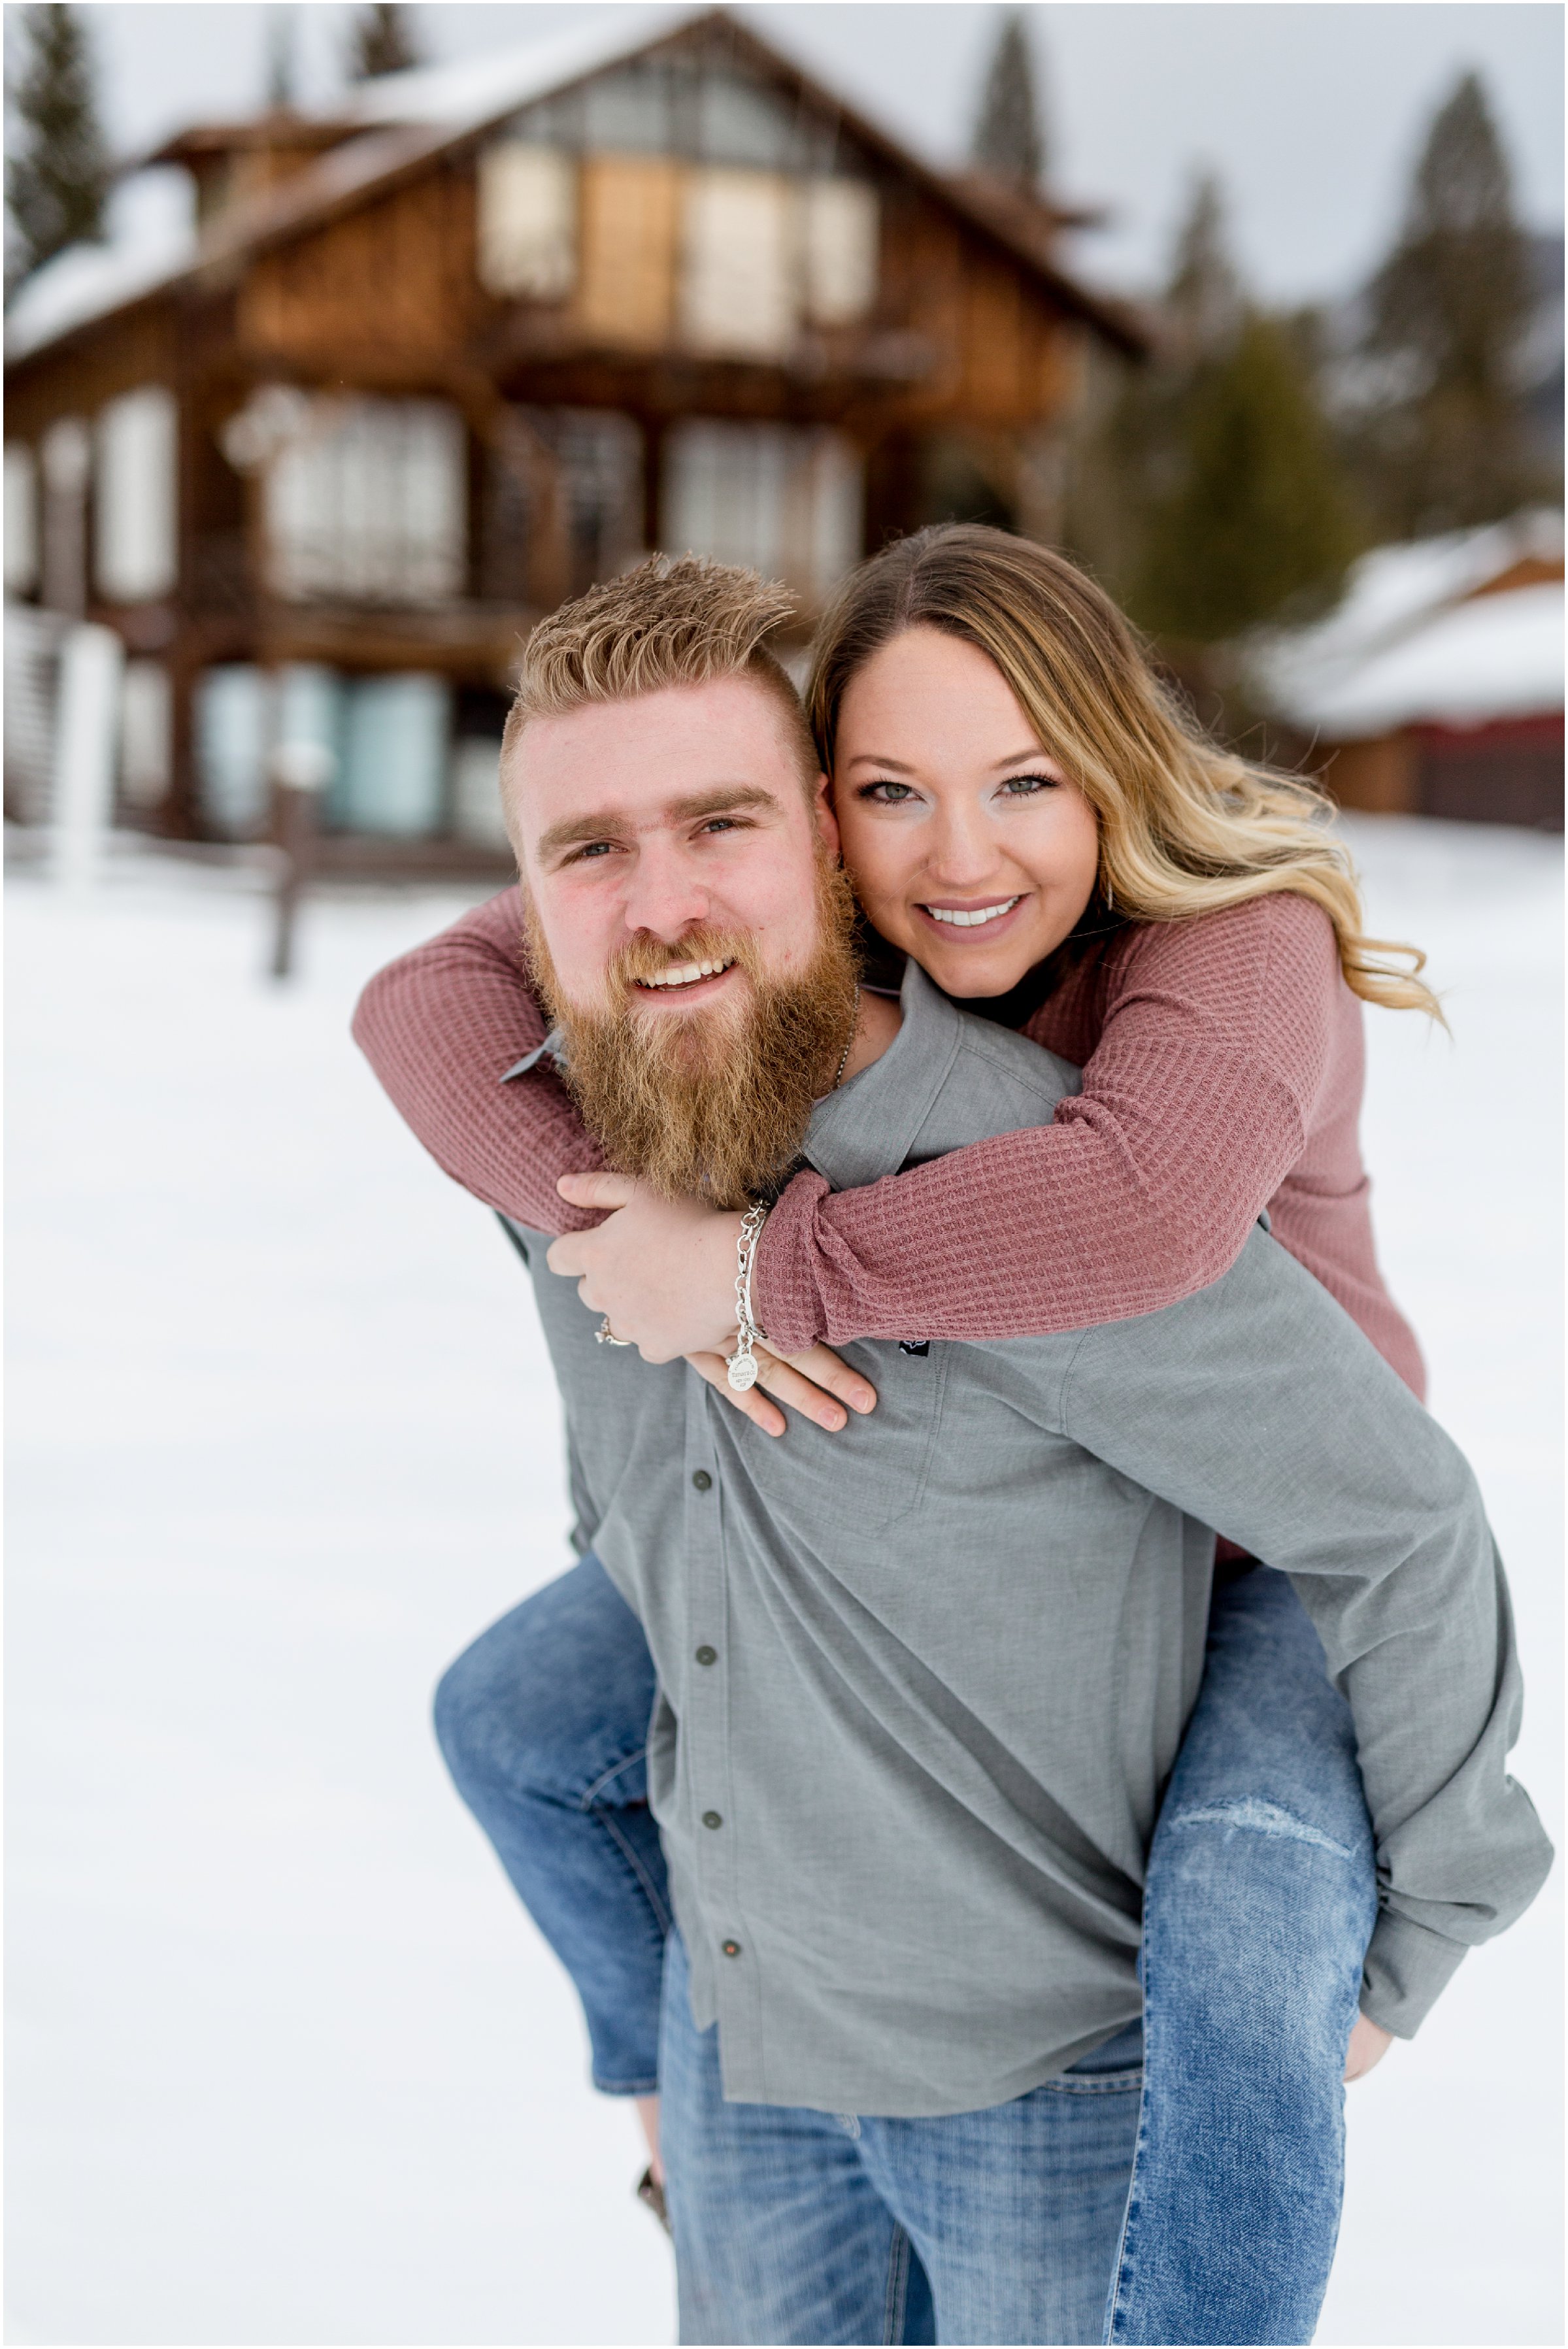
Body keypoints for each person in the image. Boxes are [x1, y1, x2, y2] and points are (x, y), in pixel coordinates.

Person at [355, 545, 1550, 2343]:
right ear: (851, 815)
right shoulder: (640, 1045)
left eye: (1021, 785)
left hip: (1268, 1560)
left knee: (1244, 1942)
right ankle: (664, 2072)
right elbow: (416, 1005)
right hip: (761, 2019)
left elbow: (1163, 1244)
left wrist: (770, 1280)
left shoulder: (1197, 996)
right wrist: (614, 1236)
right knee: (519, 1721)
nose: (961, 854)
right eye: (901, 790)